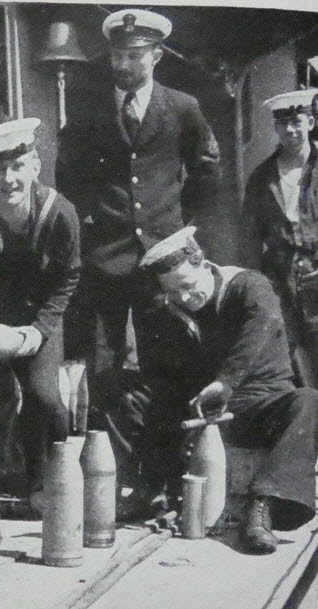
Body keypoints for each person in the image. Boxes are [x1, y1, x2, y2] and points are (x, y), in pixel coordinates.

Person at [92, 227, 316, 554]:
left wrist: (224, 383)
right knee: (123, 389)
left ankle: (262, 507)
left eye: (187, 286)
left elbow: (259, 329)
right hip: (202, 413)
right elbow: (164, 375)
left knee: (309, 401)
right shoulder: (171, 311)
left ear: (203, 264)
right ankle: (147, 490)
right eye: (172, 292)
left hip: (261, 408)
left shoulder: (249, 287)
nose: (183, 298)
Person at [55, 8, 221, 375]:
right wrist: (89, 218)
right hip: (105, 253)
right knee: (105, 358)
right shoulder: (87, 110)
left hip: (166, 255)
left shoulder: (182, 107)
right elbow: (67, 174)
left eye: (135, 55)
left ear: (157, 55)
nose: (124, 64)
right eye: (118, 55)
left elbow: (206, 172)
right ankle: (108, 430)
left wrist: (183, 225)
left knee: (170, 350)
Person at [0, 118, 81, 500]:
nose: (9, 179)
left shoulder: (60, 214)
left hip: (40, 321)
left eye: (17, 167)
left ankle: (50, 485)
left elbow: (66, 280)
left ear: (35, 168)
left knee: (44, 398)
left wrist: (39, 331)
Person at [242, 89, 318, 388]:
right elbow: (248, 239)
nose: (290, 130)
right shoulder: (262, 177)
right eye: (282, 123)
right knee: (291, 359)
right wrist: (259, 287)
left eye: (297, 121)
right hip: (282, 282)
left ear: (310, 122)